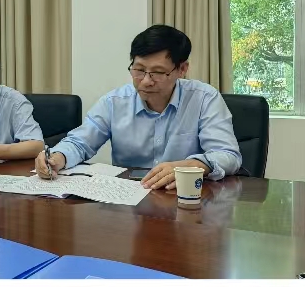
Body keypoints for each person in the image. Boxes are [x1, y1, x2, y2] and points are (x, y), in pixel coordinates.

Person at [37, 25, 242, 189]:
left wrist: (194, 165)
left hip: (187, 200)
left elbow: (228, 155)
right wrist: (57, 157)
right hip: (129, 200)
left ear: (182, 69)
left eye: (158, 72)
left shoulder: (204, 98)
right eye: (139, 70)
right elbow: (80, 143)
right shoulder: (114, 102)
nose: (145, 81)